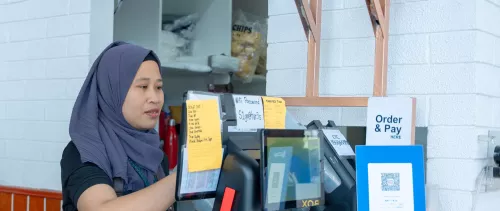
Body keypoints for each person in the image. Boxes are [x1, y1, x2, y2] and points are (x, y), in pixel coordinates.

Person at [60, 41, 177, 211]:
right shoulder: (85, 153)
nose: (155, 98)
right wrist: (182, 179)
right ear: (113, 91)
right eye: (143, 86)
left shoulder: (156, 156)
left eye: (158, 87)